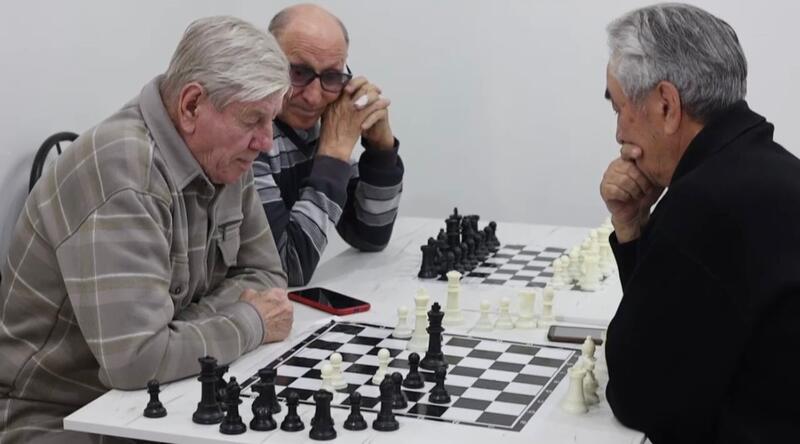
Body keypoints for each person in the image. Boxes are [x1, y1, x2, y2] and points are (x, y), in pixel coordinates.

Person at [0, 16, 294, 443]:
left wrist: (177, 334)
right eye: (252, 120)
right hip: (56, 417)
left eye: (271, 121)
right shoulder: (123, 171)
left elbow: (267, 277)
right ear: (192, 106)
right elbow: (137, 361)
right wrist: (249, 321)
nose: (266, 142)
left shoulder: (226, 157)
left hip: (156, 401)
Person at [599, 3, 800, 443]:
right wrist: (632, 227)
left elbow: (638, 393)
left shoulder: (706, 202)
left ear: (666, 105)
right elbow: (667, 330)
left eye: (619, 108)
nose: (619, 134)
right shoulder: (767, 169)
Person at [254, 4, 404, 286]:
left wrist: (381, 151)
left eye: (332, 77)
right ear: (265, 61)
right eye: (298, 73)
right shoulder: (248, 136)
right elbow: (288, 267)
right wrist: (333, 155)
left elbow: (370, 234)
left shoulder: (323, 125)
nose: (314, 97)